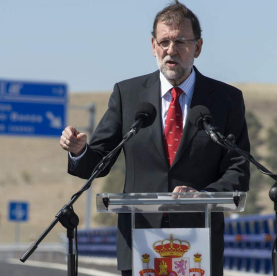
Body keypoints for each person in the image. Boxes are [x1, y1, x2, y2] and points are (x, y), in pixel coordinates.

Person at [60, 2, 250, 276]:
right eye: (164, 42)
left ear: (197, 47)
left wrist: (204, 196)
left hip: (198, 245)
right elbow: (97, 162)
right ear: (153, 46)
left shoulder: (226, 100)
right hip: (140, 241)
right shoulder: (128, 95)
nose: (171, 50)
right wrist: (79, 151)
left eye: (181, 42)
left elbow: (238, 169)